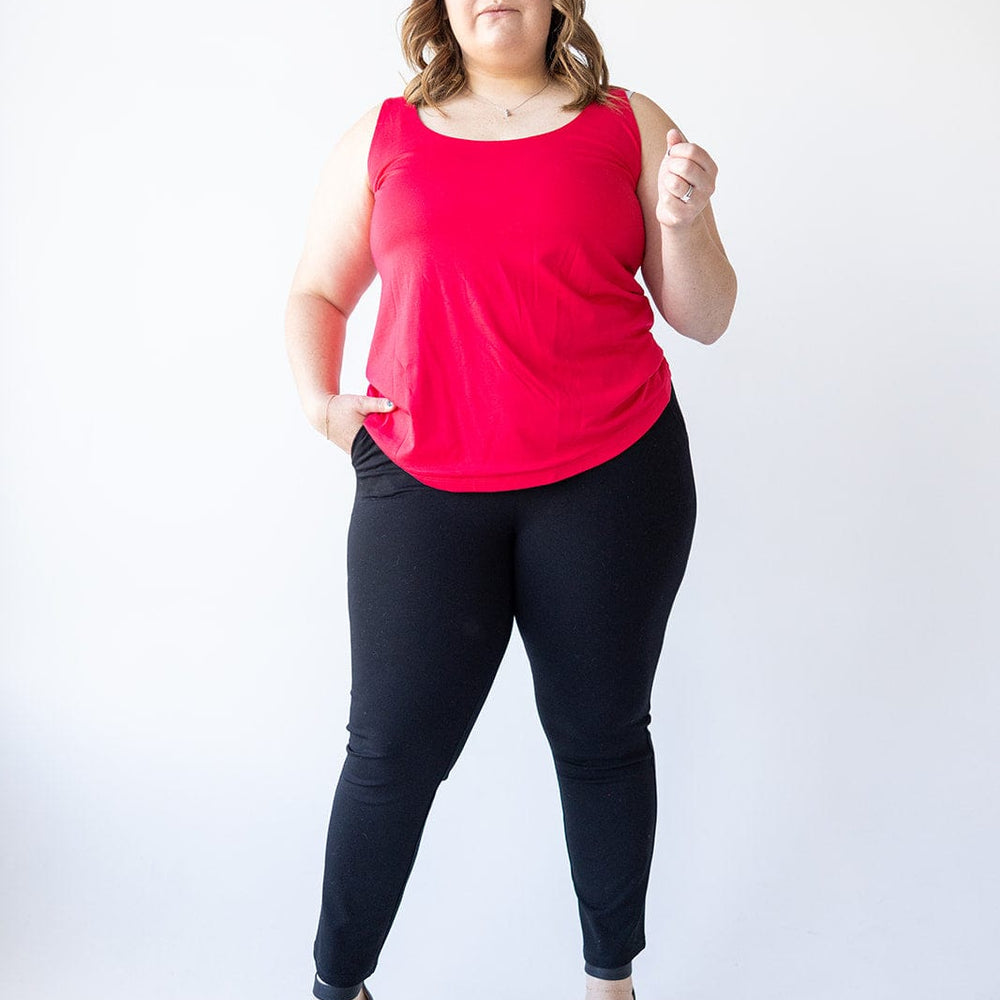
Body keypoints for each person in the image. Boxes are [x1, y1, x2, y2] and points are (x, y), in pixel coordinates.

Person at [284, 2, 737, 998]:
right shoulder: (384, 134)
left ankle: (608, 979)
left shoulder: (630, 119)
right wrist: (325, 407)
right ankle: (336, 983)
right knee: (391, 751)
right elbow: (318, 289)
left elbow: (702, 316)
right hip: (421, 484)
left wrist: (686, 220)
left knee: (602, 734)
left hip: (612, 477)